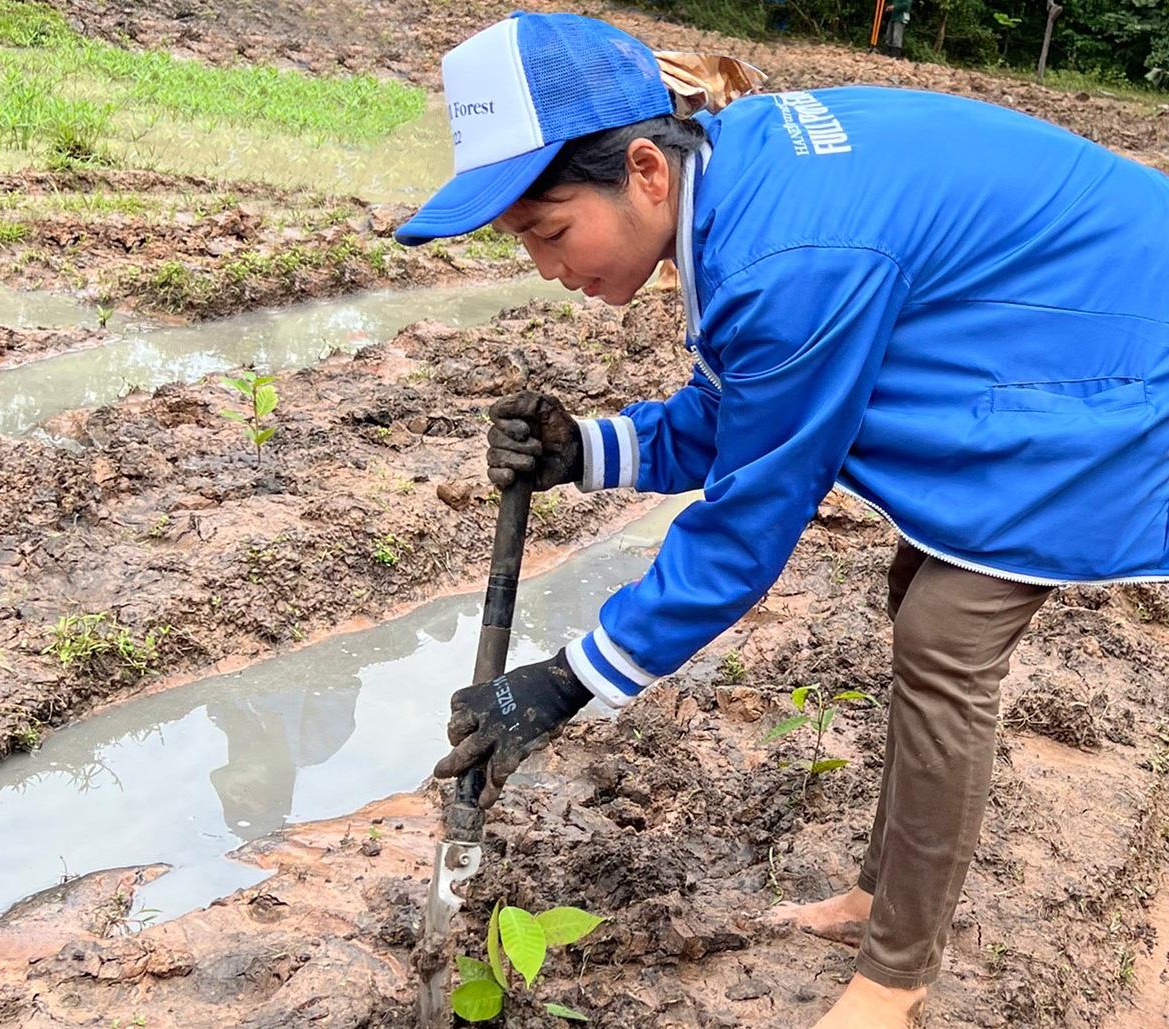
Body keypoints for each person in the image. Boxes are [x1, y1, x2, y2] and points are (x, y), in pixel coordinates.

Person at [395, 11, 1169, 1028]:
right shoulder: (739, 185)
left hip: (1127, 361)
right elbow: (740, 409)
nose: (548, 266)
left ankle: (894, 981)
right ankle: (883, 898)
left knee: (947, 632)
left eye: (548, 230)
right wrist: (584, 450)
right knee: (917, 594)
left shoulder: (783, 255)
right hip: (1066, 331)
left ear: (645, 172)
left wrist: (569, 680)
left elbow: (749, 520)